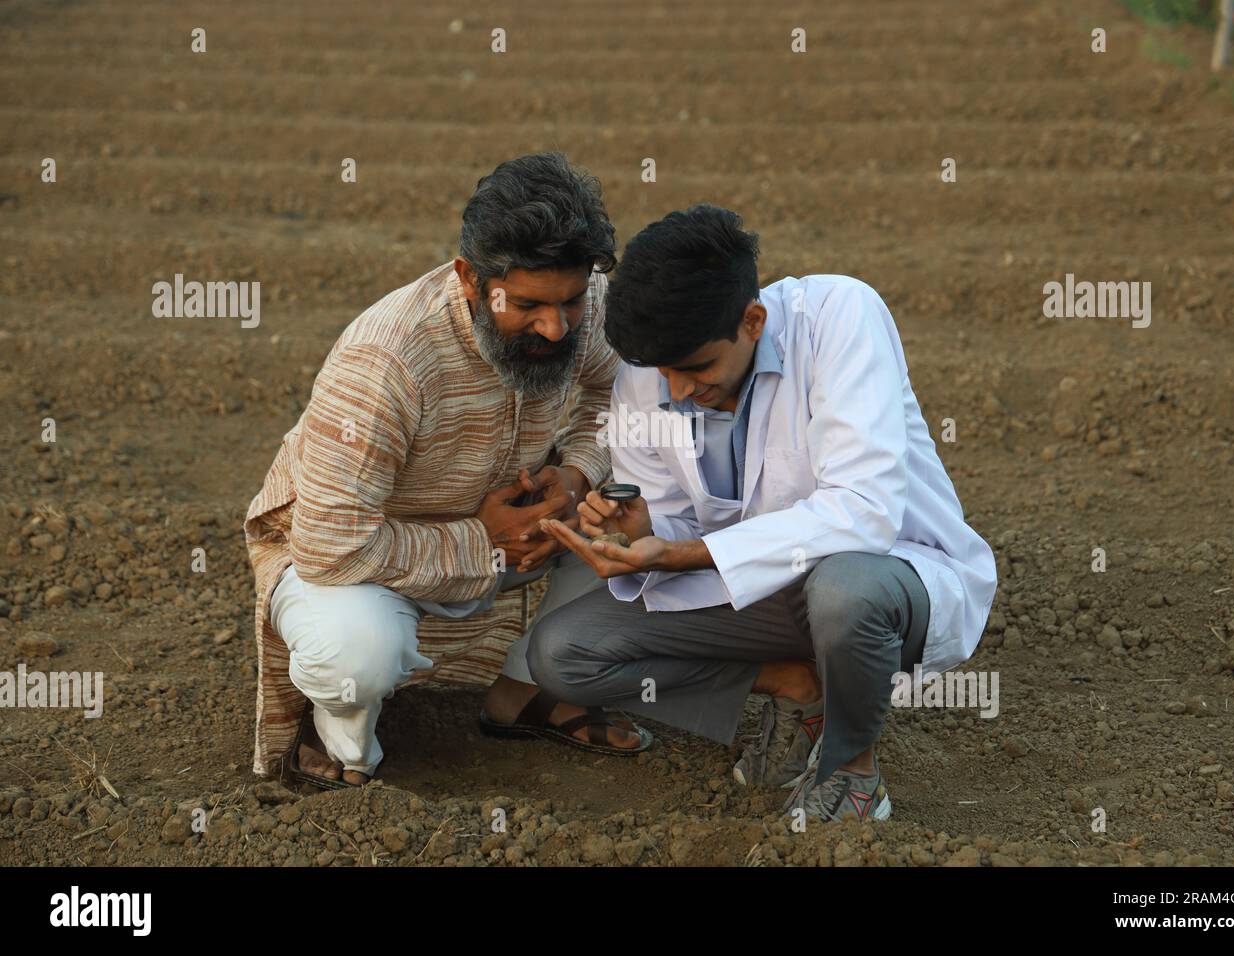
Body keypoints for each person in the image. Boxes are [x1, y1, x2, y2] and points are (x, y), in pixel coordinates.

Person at [531, 204, 996, 821]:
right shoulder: (649, 373)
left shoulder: (838, 316)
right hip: (761, 592)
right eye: (664, 373)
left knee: (844, 591)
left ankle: (851, 773)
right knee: (563, 652)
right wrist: (644, 534)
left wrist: (680, 553)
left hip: (889, 578)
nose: (678, 390)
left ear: (753, 321)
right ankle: (798, 687)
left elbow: (864, 510)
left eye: (696, 368)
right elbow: (676, 521)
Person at [244, 152, 650, 788]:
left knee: (657, 494)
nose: (554, 328)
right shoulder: (385, 364)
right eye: (526, 306)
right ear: (469, 279)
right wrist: (481, 539)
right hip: (367, 558)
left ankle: (526, 689)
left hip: (519, 532)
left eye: (570, 302)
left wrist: (575, 475)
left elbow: (616, 393)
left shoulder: (580, 300)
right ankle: (340, 744)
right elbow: (328, 545)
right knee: (356, 654)